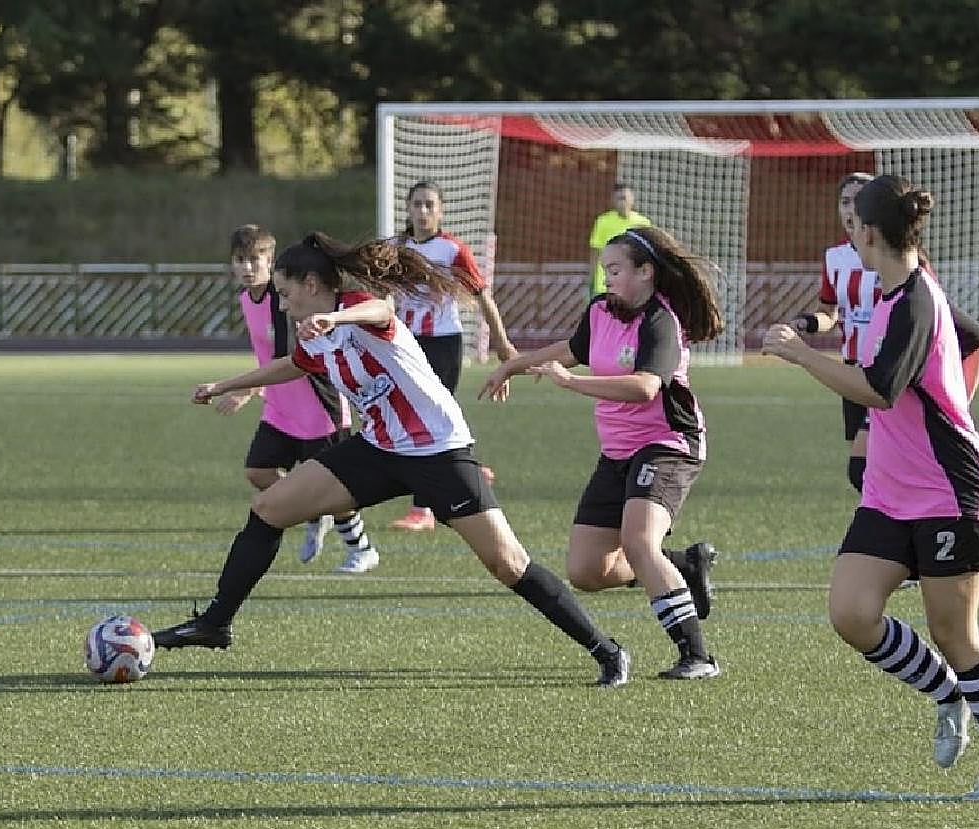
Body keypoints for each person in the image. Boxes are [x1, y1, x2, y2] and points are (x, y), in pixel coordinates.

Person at [153, 232, 630, 687]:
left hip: (438, 452)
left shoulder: (356, 309)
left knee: (508, 564)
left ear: (311, 285)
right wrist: (225, 384)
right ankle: (215, 624)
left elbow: (385, 307)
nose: (281, 303)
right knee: (268, 509)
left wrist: (335, 320)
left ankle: (606, 649)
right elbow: (294, 365)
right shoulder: (314, 335)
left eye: (285, 292)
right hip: (379, 448)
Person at [763, 175, 979, 772]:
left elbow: (880, 391)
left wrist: (801, 354)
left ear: (870, 232)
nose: (848, 231)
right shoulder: (889, 292)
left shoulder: (914, 298)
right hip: (889, 494)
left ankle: (961, 686)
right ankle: (947, 696)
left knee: (957, 640)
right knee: (852, 612)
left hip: (944, 492)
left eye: (853, 222)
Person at [480, 225, 722, 681]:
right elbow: (571, 350)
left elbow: (645, 386)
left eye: (615, 270)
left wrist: (572, 384)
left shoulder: (661, 320)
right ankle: (684, 567)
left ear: (646, 272)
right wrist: (514, 362)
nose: (606, 278)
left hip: (667, 445)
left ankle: (698, 656)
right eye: (604, 270)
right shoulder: (601, 311)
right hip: (617, 452)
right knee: (587, 570)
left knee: (639, 542)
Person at [790, 172, 979, 493]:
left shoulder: (905, 270)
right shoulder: (835, 259)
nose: (850, 210)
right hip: (852, 371)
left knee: (863, 467)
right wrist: (808, 324)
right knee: (869, 470)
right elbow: (830, 312)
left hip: (890, 377)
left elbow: (950, 327)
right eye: (844, 202)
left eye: (857, 202)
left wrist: (954, 390)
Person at [215, 224, 378, 573]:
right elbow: (265, 357)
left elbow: (287, 358)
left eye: (254, 260)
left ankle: (362, 550)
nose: (246, 268)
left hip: (318, 406)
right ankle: (311, 511)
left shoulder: (283, 300)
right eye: (239, 260)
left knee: (337, 488)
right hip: (279, 407)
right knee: (258, 470)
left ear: (271, 261)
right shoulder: (247, 299)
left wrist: (242, 391)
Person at [388, 179, 518, 531]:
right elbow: (380, 292)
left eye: (430, 205)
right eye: (418, 204)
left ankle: (423, 509)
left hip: (443, 342)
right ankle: (467, 468)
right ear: (409, 208)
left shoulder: (452, 250)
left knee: (428, 416)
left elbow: (482, 297)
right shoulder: (395, 247)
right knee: (407, 413)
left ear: (441, 211)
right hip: (404, 342)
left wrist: (503, 345)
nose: (424, 211)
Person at [588, 183, 652, 299]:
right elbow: (595, 251)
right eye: (618, 199)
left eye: (624, 198)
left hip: (631, 283)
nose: (622, 202)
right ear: (613, 201)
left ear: (632, 199)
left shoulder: (642, 223)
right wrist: (591, 279)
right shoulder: (603, 222)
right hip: (605, 284)